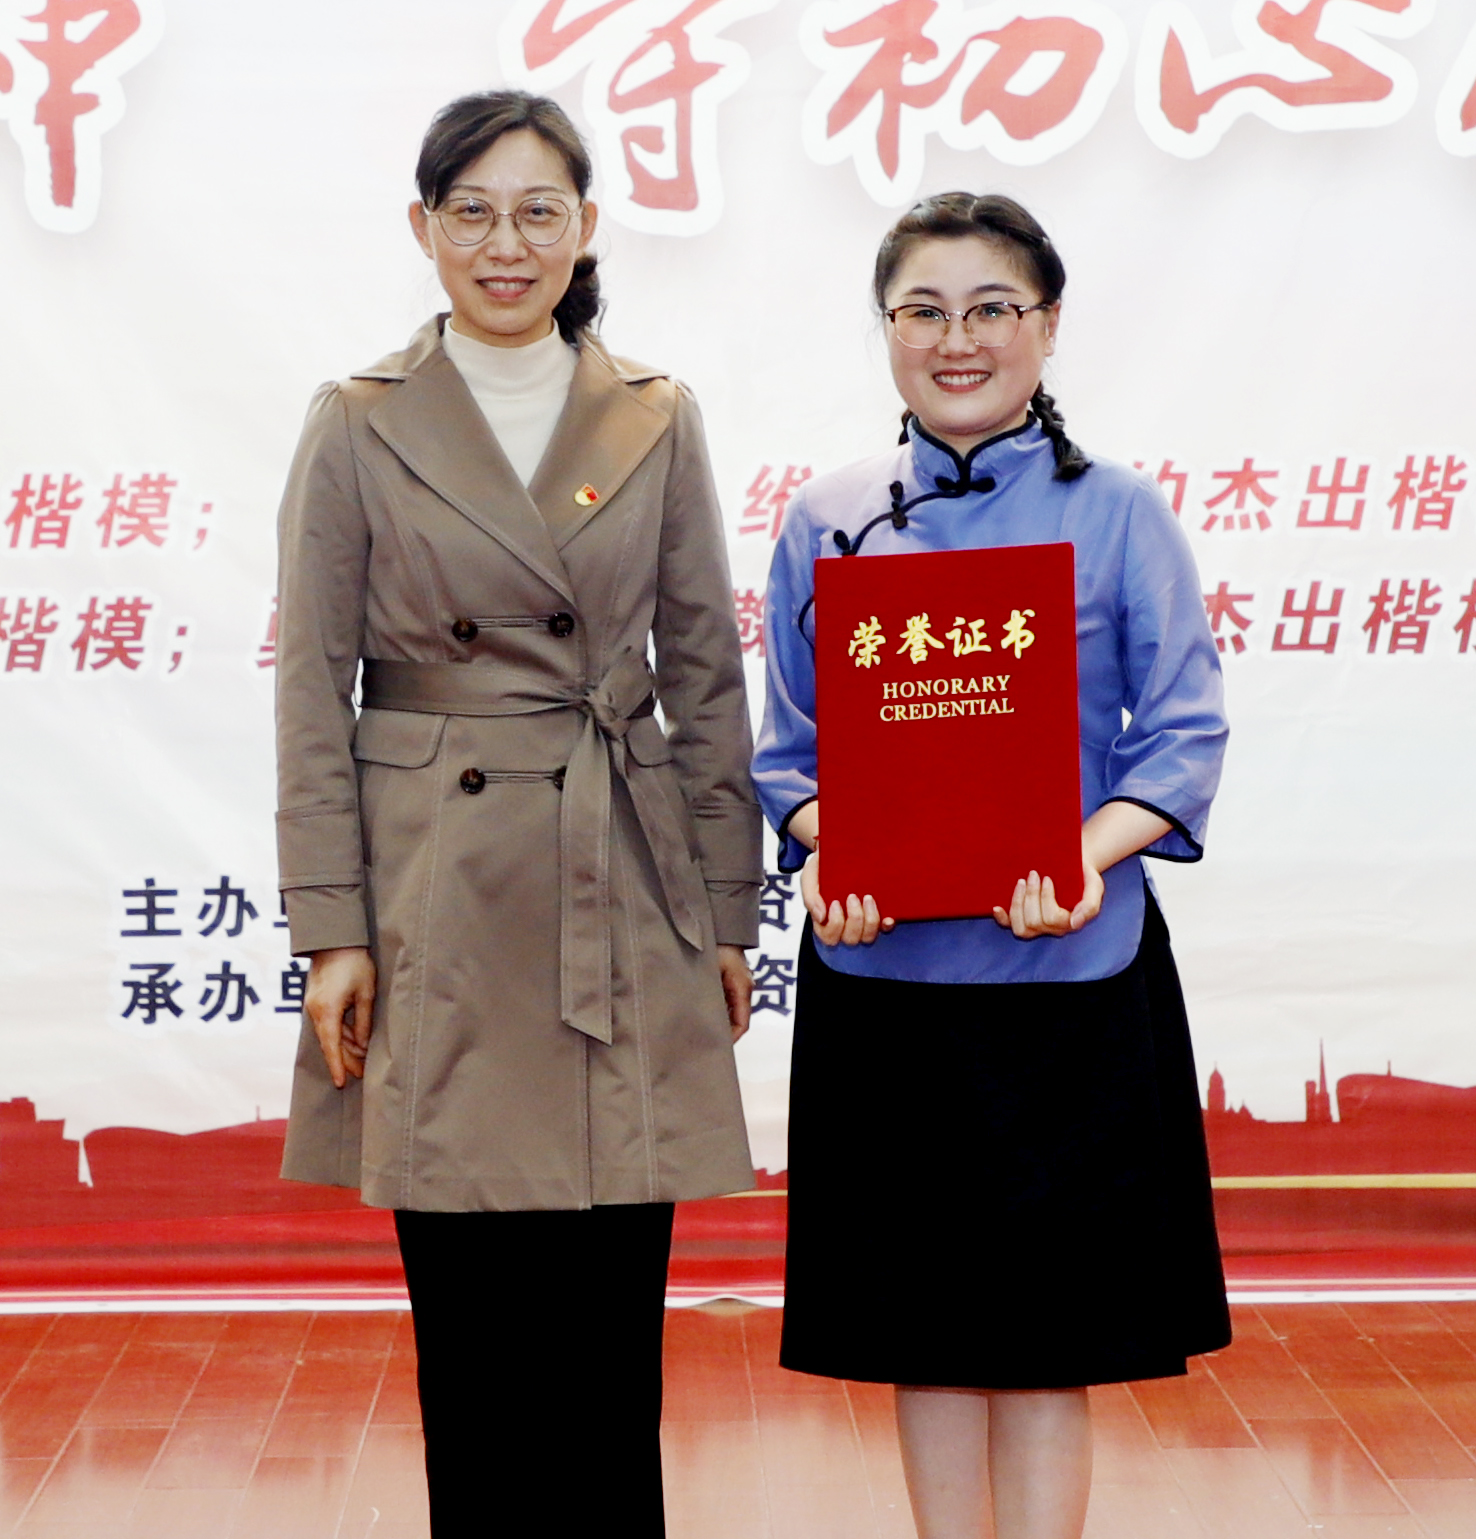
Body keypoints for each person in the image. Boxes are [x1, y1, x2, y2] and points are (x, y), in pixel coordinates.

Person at [273, 89, 761, 1537]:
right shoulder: (360, 421)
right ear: (423, 230)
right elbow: (311, 688)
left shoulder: (653, 414)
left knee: (611, 1334)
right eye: (473, 212)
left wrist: (728, 911)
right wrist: (332, 929)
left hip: (622, 869)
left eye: (539, 211)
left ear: (586, 227)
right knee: (475, 1337)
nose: (507, 243)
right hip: (438, 887)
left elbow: (705, 675)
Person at [752, 193, 1231, 1539]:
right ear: (887, 330)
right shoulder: (828, 518)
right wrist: (833, 851)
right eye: (923, 311)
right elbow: (788, 755)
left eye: (990, 309)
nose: (956, 340)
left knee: (1044, 1338)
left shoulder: (1117, 511)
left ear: (1048, 325)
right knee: (926, 1330)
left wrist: (1079, 856)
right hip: (886, 979)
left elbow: (1183, 735)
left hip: (1069, 975)